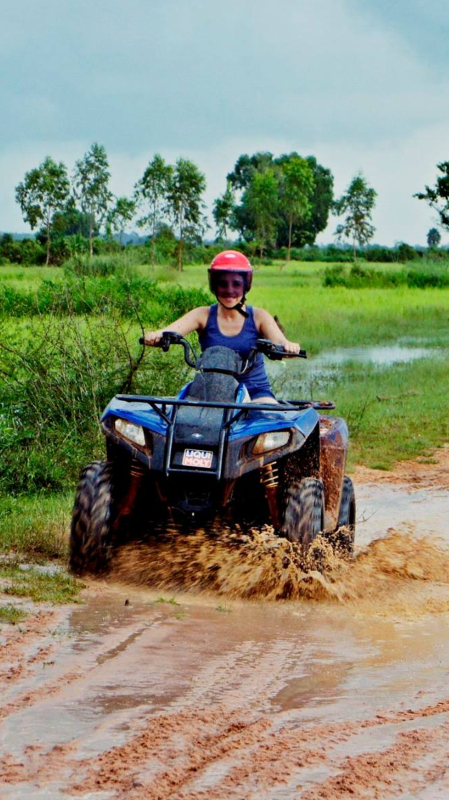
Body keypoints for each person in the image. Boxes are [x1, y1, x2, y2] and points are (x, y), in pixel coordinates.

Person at [143, 250, 300, 402]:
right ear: (214, 285)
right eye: (223, 284)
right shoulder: (202, 315)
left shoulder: (259, 317)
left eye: (236, 284)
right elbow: (170, 331)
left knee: (268, 417)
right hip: (211, 391)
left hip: (255, 392)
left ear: (245, 285)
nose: (229, 290)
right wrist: (155, 336)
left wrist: (288, 347)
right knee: (178, 420)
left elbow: (280, 341)